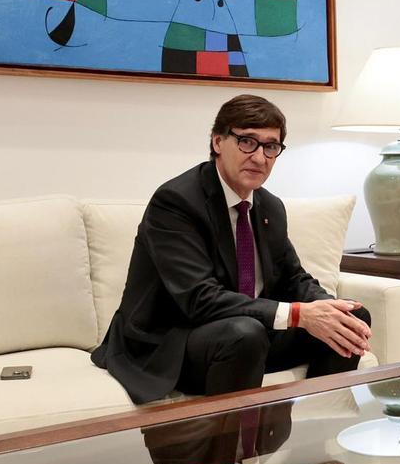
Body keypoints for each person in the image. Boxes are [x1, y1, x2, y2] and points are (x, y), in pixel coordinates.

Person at [92, 94, 372, 404]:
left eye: (271, 146)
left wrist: (327, 309)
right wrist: (298, 314)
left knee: (351, 318)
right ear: (217, 142)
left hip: (247, 331)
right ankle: (231, 437)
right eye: (247, 142)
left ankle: (321, 424)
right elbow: (199, 299)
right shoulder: (176, 202)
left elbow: (294, 278)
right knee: (244, 334)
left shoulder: (269, 206)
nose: (260, 157)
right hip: (174, 340)